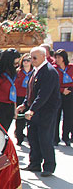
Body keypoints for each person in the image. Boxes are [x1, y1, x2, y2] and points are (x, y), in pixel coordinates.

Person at [16, 47, 60, 177]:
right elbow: (31, 92)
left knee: (45, 138)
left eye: (34, 58)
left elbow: (43, 95)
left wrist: (32, 109)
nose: (32, 60)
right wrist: (24, 105)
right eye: (30, 58)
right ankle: (35, 163)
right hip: (35, 110)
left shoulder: (49, 72)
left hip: (46, 111)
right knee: (33, 137)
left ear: (43, 56)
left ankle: (49, 166)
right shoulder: (35, 71)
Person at [0, 49, 20, 133]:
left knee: (5, 132)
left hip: (10, 106)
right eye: (15, 63)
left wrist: (14, 108)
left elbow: (13, 92)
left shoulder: (13, 74)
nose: (16, 66)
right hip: (0, 107)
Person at [53, 49, 73, 146]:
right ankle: (55, 138)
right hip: (58, 93)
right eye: (55, 57)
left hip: (70, 93)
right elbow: (52, 84)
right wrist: (61, 90)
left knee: (68, 116)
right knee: (56, 116)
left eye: (59, 57)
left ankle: (66, 136)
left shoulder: (71, 67)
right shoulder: (54, 69)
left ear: (64, 58)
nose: (57, 59)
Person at [14, 53, 33, 146]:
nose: (26, 62)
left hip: (30, 97)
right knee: (20, 119)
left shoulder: (34, 72)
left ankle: (31, 138)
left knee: (30, 119)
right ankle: (19, 137)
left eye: (28, 60)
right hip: (19, 97)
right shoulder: (17, 72)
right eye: (24, 60)